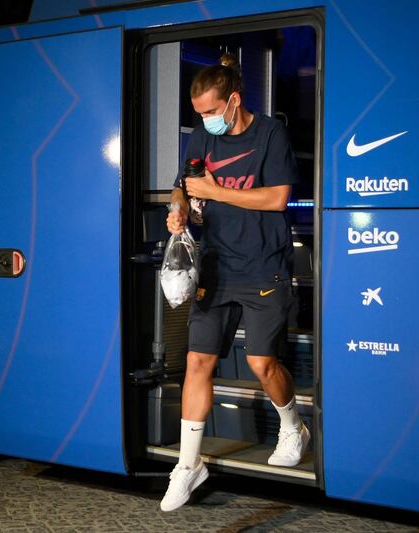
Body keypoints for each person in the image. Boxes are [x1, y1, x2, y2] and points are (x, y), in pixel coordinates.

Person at [160, 55, 309, 512]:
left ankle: (292, 426)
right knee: (198, 360)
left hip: (265, 266)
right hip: (217, 267)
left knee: (264, 363)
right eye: (199, 114)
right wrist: (179, 207)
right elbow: (182, 184)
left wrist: (215, 192)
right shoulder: (204, 135)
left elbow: (279, 197)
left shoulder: (270, 134)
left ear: (234, 102)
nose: (204, 121)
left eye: (210, 111)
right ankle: (188, 466)